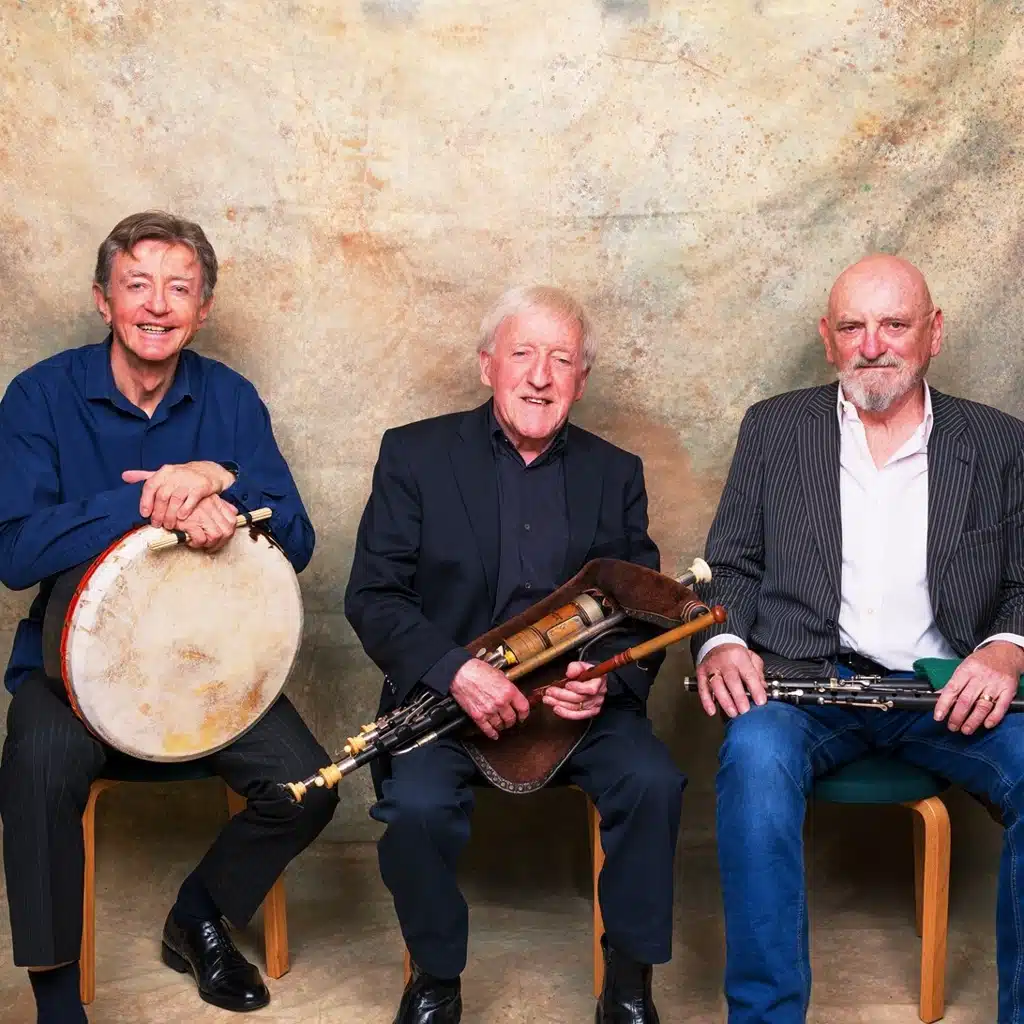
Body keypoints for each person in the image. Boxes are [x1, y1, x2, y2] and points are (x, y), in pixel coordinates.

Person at [0, 211, 339, 1022]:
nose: (157, 305)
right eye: (137, 285)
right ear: (103, 298)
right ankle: (56, 1000)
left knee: (308, 786)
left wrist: (221, 480)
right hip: (72, 669)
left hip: (209, 670)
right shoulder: (39, 396)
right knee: (35, 768)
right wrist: (148, 500)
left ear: (203, 308)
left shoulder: (232, 400)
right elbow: (13, 551)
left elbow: (295, 539)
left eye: (179, 288)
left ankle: (199, 916)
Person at [692, 253, 1024, 1024]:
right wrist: (723, 644)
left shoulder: (1000, 442)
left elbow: (1021, 580)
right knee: (754, 759)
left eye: (894, 324)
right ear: (827, 337)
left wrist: (1006, 646)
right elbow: (730, 566)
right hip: (807, 686)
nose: (872, 345)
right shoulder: (773, 428)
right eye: (853, 327)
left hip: (945, 692)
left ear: (933, 332)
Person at [344, 285, 685, 1024]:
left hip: (575, 706)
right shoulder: (413, 454)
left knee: (653, 782)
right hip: (447, 699)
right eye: (522, 353)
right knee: (417, 809)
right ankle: (436, 978)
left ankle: (628, 984)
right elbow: (373, 596)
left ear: (580, 380)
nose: (539, 376)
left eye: (560, 359)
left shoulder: (615, 471)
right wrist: (454, 671)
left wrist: (602, 679)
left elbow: (641, 606)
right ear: (486, 366)